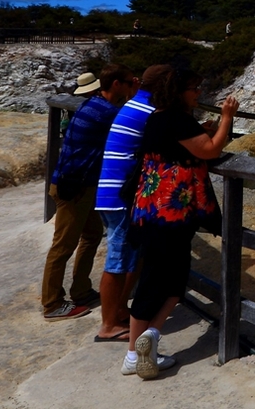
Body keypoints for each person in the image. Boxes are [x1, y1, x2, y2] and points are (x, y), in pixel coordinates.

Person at [124, 70, 237, 379]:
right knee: (163, 281)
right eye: (193, 86)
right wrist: (227, 117)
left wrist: (200, 130)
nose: (197, 91)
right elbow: (210, 150)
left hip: (148, 209)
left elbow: (183, 144)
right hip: (171, 214)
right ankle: (138, 348)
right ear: (178, 91)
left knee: (168, 279)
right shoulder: (177, 119)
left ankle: (145, 342)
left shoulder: (157, 118)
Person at [41, 66, 135, 322]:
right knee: (63, 246)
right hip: (75, 188)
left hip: (75, 185)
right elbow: (135, 124)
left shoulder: (90, 105)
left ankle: (81, 291)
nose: (130, 87)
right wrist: (135, 95)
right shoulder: (105, 111)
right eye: (128, 83)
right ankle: (52, 304)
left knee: (92, 235)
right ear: (116, 85)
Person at [93, 65, 165, 343]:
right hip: (120, 197)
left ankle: (119, 311)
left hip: (112, 193)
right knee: (117, 261)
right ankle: (108, 326)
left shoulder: (135, 105)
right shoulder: (149, 112)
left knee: (128, 256)